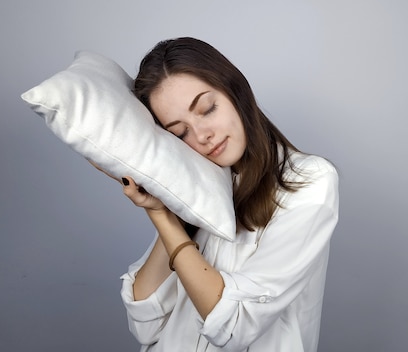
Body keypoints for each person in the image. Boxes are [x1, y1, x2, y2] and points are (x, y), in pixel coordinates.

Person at [117, 37, 339, 352]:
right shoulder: (197, 185)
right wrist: (161, 213)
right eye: (181, 133)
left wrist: (165, 221)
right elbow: (145, 322)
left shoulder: (309, 183)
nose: (203, 135)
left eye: (207, 109)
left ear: (236, 90)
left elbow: (234, 325)